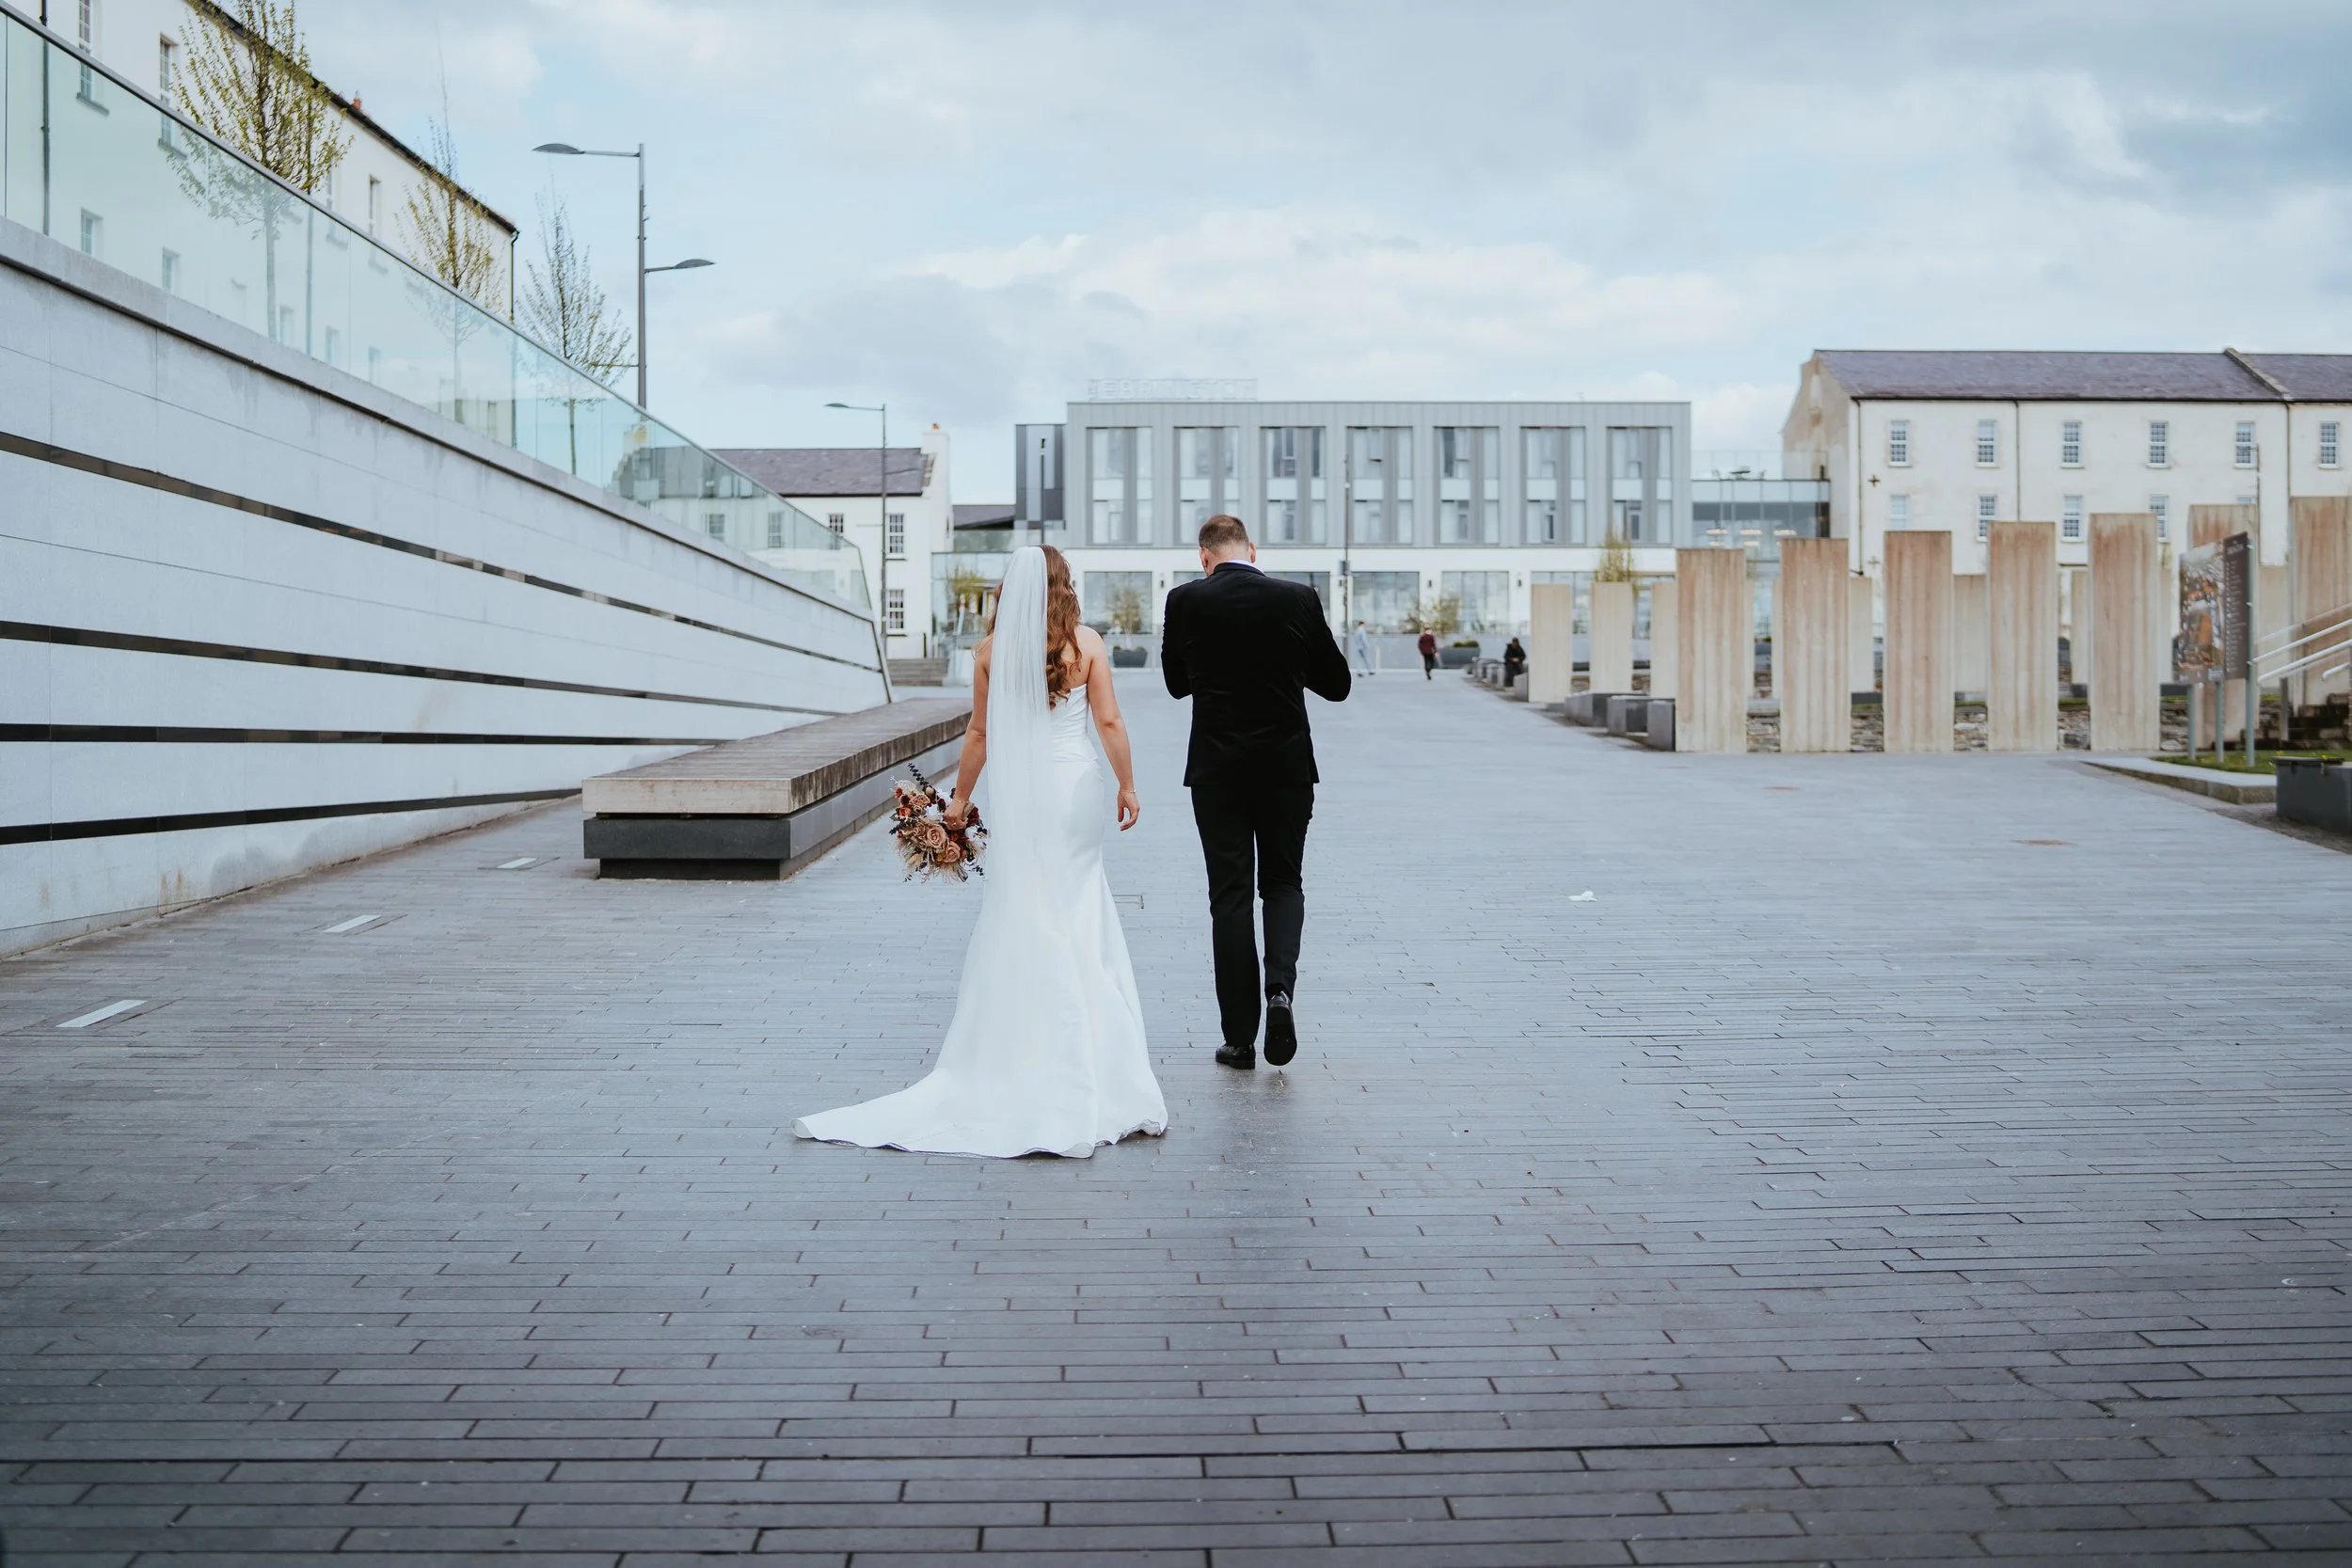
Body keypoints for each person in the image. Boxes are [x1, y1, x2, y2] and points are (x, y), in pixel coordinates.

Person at [794, 546, 1167, 1158]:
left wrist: (959, 801)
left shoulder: (992, 654)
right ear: (1063, 586)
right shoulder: (1088, 645)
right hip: (1075, 791)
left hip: (1024, 797)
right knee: (1078, 904)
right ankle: (1101, 1061)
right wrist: (1127, 783)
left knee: (1026, 906)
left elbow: (980, 733)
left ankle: (1028, 1050)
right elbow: (1108, 723)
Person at [1161, 515, 1351, 1070]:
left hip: (1217, 772)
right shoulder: (1298, 598)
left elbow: (1175, 685)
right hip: (1286, 769)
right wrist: (1288, 663)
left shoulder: (1184, 601)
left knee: (1231, 897)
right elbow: (1337, 685)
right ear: (1254, 550)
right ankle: (1281, 993)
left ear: (1204, 557)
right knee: (1284, 882)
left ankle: (1240, 1038)